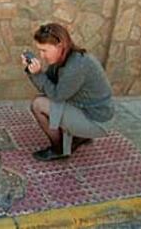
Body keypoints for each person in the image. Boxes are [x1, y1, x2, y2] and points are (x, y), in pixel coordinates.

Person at [21, 23, 114, 161]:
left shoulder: (76, 66)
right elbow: (50, 84)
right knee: (46, 100)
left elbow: (56, 95)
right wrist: (33, 70)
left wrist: (37, 74)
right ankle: (80, 137)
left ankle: (59, 150)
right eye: (39, 51)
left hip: (97, 121)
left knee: (39, 104)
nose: (42, 55)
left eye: (44, 50)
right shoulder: (67, 57)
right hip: (88, 109)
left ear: (59, 45)